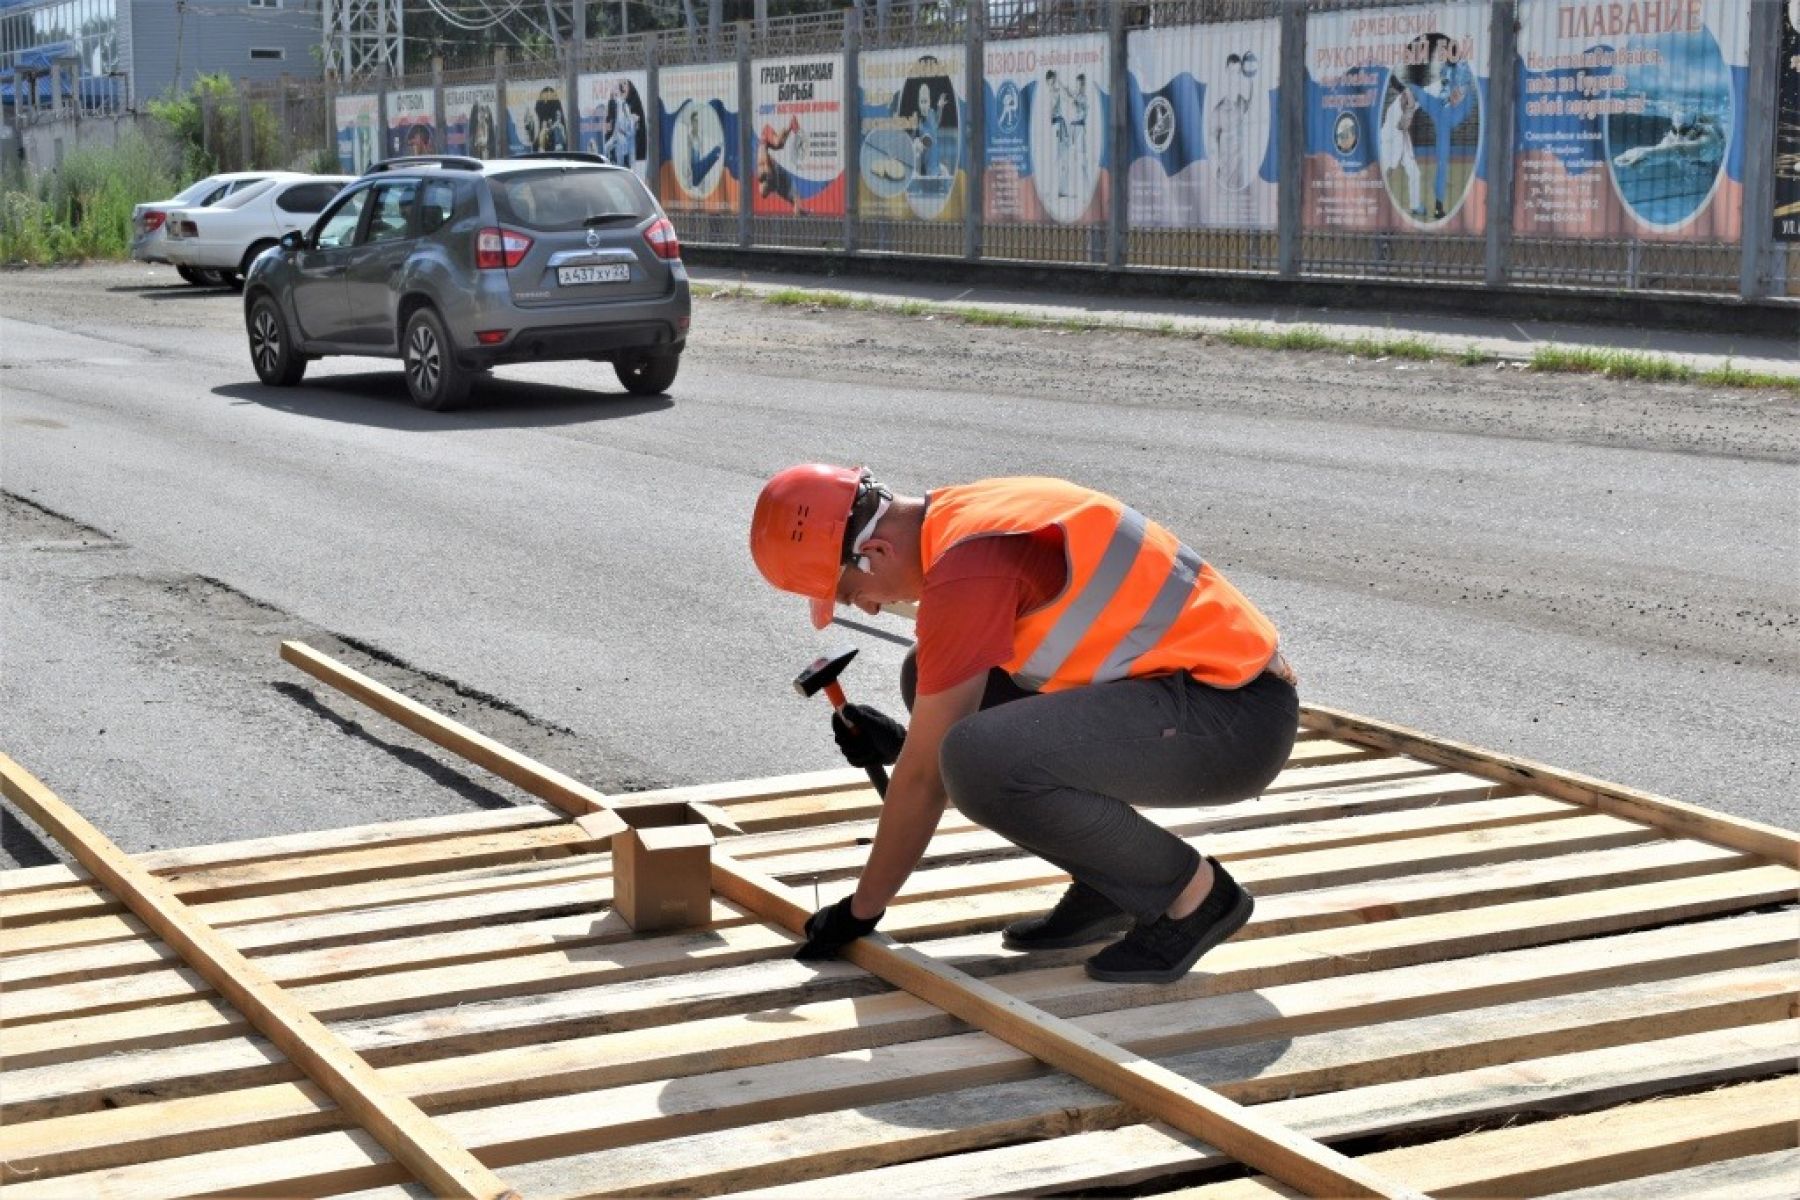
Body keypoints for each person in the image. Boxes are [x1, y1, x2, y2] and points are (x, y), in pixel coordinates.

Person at [749, 466, 1300, 984]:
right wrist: (907, 742)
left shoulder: (971, 568)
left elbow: (928, 778)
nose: (867, 609)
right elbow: (954, 722)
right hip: (1194, 701)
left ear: (874, 550)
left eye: (851, 594)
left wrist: (860, 910)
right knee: (929, 677)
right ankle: (1112, 883)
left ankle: (1193, 895)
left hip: (1235, 724)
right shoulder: (960, 520)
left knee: (978, 759)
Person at [1381, 83, 1424, 218]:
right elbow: (1398, 143)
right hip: (1389, 143)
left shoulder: (1409, 99)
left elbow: (1418, 102)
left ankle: (1415, 206)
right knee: (1385, 174)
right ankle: (1379, 204)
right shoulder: (1395, 113)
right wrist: (1394, 166)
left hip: (1401, 138)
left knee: (1415, 173)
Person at [758, 113, 805, 214]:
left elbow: (766, 158)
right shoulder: (772, 183)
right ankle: (790, 126)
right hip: (776, 175)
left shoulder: (765, 169)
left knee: (778, 143)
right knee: (780, 145)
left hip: (765, 137)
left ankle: (790, 125)